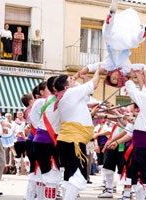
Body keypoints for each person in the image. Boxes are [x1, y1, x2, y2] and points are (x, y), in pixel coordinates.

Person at [78, 0, 146, 88]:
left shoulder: (106, 66)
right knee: (134, 42)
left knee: (106, 34)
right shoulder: (127, 69)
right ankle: (145, 29)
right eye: (118, 79)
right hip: (124, 43)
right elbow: (142, 66)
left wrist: (81, 72)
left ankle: (111, 14)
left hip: (113, 42)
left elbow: (92, 67)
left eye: (113, 79)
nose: (116, 77)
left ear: (109, 76)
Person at [54, 68, 100, 199]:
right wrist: (97, 70)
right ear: (66, 86)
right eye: (71, 79)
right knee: (78, 176)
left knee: (69, 176)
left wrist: (85, 78)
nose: (74, 79)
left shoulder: (66, 96)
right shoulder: (70, 93)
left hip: (68, 140)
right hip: (74, 141)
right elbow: (94, 84)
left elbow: (86, 96)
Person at [33, 78, 61, 200]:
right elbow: (34, 121)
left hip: (44, 139)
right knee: (50, 172)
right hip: (46, 139)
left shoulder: (52, 100)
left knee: (46, 172)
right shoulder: (53, 100)